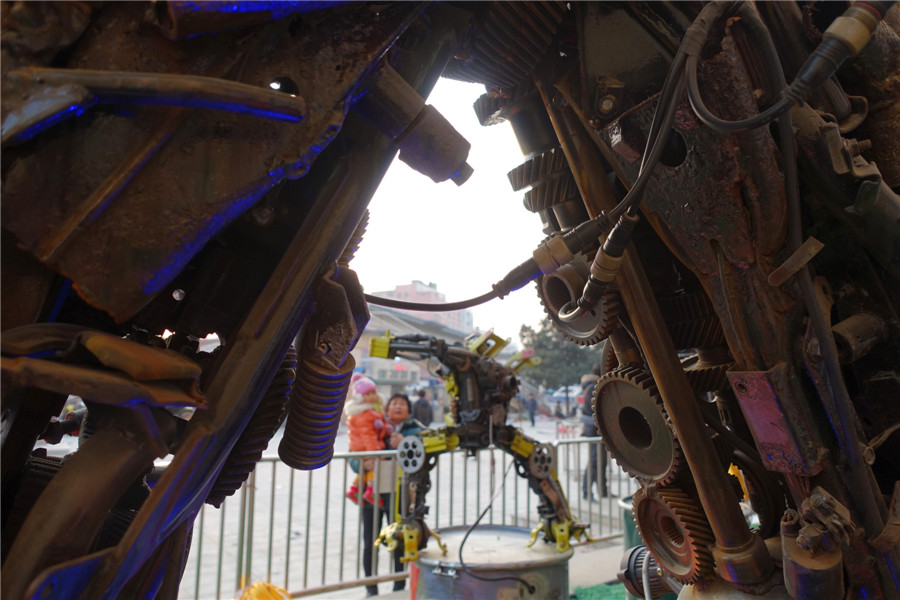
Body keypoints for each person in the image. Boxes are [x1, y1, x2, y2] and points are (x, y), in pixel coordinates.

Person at [360, 393, 424, 596]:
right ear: (387, 408)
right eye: (394, 403)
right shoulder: (374, 425)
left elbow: (425, 447)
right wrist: (362, 463)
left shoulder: (415, 430)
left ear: (408, 410)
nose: (398, 407)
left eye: (403, 404)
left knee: (399, 540)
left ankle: (399, 586)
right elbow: (355, 453)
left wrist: (406, 441)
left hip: (400, 497)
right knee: (370, 543)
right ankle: (372, 589)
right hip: (373, 497)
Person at [346, 377, 392, 505]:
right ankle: (371, 491)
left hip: (362, 448)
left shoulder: (372, 411)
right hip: (366, 448)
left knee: (369, 469)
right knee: (374, 468)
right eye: (367, 394)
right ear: (360, 397)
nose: (371, 396)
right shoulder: (365, 414)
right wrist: (375, 452)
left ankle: (354, 489)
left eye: (373, 393)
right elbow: (368, 435)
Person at [581, 363, 611, 500]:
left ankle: (603, 490)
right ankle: (587, 492)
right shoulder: (593, 388)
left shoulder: (593, 386)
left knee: (602, 460)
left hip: (598, 430)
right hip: (594, 430)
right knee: (594, 460)